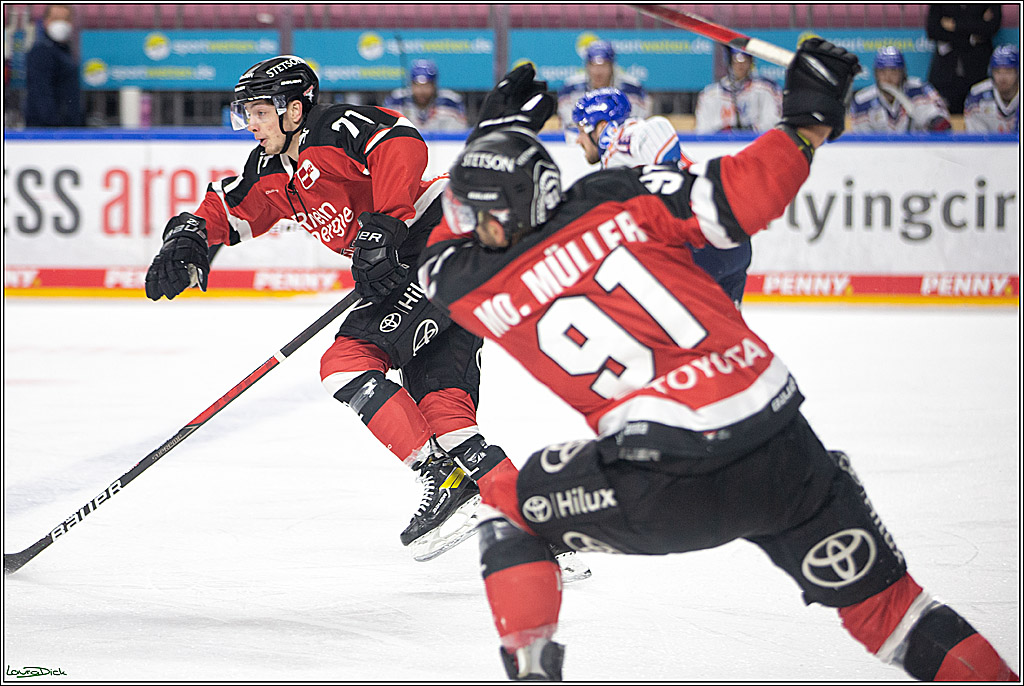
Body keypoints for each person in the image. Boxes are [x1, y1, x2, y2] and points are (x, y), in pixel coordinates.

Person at [417, 41, 1020, 682]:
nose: (470, 220)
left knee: (511, 510)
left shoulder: (477, 284)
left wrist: (496, 131)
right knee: (898, 614)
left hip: (666, 480)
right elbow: (746, 197)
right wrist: (808, 120)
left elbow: (438, 251)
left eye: (479, 210)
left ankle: (533, 671)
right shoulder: (617, 195)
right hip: (783, 448)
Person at [143, 55, 590, 581]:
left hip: (437, 241)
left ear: (294, 108)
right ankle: (544, 542)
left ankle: (443, 478)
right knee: (446, 417)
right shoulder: (269, 170)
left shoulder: (330, 128)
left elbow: (401, 141)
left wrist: (385, 225)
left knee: (346, 361)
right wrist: (190, 239)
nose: (252, 123)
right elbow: (230, 207)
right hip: (426, 265)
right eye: (248, 113)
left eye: (261, 111)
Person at [571, 87, 750, 308]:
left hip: (700, 244)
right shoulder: (621, 162)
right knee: (724, 336)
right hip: (731, 240)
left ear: (600, 127)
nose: (578, 140)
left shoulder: (618, 140)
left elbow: (658, 130)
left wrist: (669, 180)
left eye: (580, 130)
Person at [557, 40, 650, 142]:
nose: (598, 72)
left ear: (612, 66)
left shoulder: (632, 89)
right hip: (582, 145)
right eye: (594, 65)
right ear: (587, 66)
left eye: (604, 65)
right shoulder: (572, 89)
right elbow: (569, 126)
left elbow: (637, 125)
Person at [849, 46, 952, 133]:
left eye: (893, 71)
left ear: (903, 73)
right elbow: (863, 142)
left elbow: (943, 124)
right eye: (883, 72)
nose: (888, 78)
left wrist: (934, 122)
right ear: (876, 74)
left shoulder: (920, 91)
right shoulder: (862, 101)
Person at [926, 4, 1002, 116]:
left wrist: (955, 25)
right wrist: (971, 37)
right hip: (946, 74)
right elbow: (933, 30)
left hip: (978, 71)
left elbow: (991, 27)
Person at [694, 47, 781, 133]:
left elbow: (773, 121)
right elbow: (703, 130)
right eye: (735, 61)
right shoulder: (710, 95)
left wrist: (750, 130)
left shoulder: (765, 89)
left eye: (745, 61)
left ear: (751, 62)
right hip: (720, 145)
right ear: (729, 62)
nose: (740, 66)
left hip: (756, 142)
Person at [23, 3, 83, 127]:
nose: (60, 23)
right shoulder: (41, 52)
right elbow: (40, 94)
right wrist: (55, 125)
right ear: (45, 22)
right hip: (47, 130)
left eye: (65, 19)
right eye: (56, 19)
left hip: (67, 129)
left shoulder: (66, 52)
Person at [383, 58, 468, 132]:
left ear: (434, 85)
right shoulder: (397, 100)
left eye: (427, 86)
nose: (421, 91)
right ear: (410, 84)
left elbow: (458, 135)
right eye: (417, 85)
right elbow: (386, 132)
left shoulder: (450, 102)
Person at [964, 44, 1019, 133]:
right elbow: (977, 141)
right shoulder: (977, 96)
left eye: (1008, 71)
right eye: (997, 72)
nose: (1002, 78)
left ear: (1018, 72)